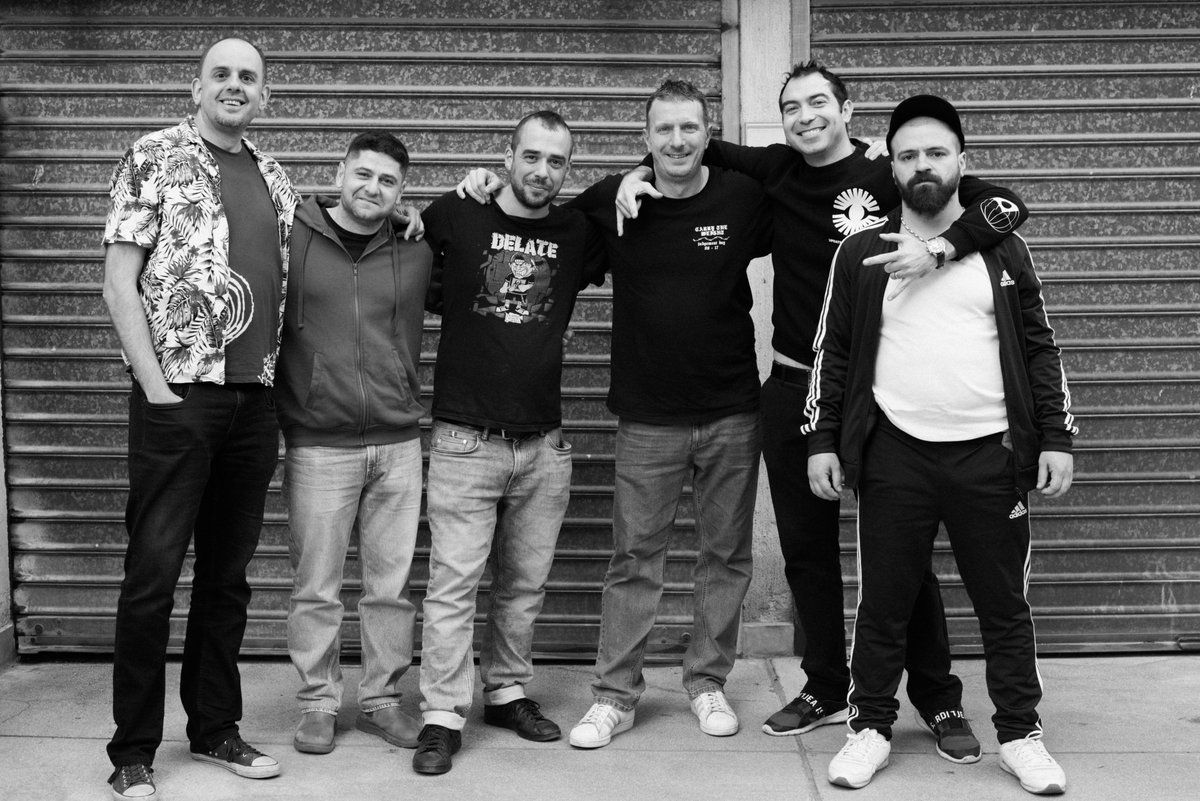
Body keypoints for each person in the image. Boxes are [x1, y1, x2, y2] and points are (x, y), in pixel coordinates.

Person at [617, 61, 1030, 761]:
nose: (806, 116)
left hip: (874, 392)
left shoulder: (887, 170)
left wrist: (942, 248)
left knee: (903, 557)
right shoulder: (776, 169)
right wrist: (635, 174)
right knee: (807, 552)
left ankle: (936, 694)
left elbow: (1006, 207)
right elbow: (689, 146)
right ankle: (826, 685)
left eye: (818, 103)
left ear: (847, 110)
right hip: (791, 386)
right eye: (792, 107)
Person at [805, 94, 1076, 794]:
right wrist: (823, 439)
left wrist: (1056, 436)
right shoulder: (861, 252)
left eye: (935, 152)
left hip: (991, 455)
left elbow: (1039, 347)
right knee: (882, 604)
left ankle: (1019, 734)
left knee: (1004, 606)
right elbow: (834, 352)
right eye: (908, 155)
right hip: (895, 453)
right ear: (891, 169)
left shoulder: (1001, 247)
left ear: (962, 161)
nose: (922, 165)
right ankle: (869, 727)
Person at [100, 37, 297, 800]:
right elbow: (119, 282)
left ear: (265, 95)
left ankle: (215, 726)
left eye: (249, 77)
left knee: (227, 578)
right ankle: (132, 750)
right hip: (178, 395)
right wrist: (155, 387)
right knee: (152, 575)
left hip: (254, 400)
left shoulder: (275, 177)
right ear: (197, 87)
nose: (234, 85)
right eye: (221, 74)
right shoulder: (152, 155)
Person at [562, 79, 772, 747]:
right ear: (644, 137)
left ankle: (706, 682)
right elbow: (542, 215)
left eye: (689, 128)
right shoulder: (615, 202)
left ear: (708, 133)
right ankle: (615, 695)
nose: (677, 141)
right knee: (635, 557)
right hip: (649, 416)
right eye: (663, 130)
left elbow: (804, 185)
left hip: (732, 409)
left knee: (726, 556)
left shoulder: (741, 196)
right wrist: (628, 179)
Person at [413, 110, 604, 775]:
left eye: (557, 161)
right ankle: (441, 716)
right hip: (466, 439)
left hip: (543, 444)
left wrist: (639, 180)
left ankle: (505, 692)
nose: (542, 171)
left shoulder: (578, 231)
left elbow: (643, 212)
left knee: (524, 585)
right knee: (453, 585)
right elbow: (396, 246)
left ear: (568, 169)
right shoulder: (458, 212)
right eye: (531, 156)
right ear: (506, 156)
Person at [274, 131, 432, 756]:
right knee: (316, 585)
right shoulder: (292, 237)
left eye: (388, 181)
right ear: (340, 172)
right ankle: (317, 703)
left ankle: (382, 701)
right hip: (319, 441)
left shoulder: (417, 247)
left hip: (398, 440)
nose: (373, 188)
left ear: (402, 191)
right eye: (363, 174)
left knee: (390, 587)